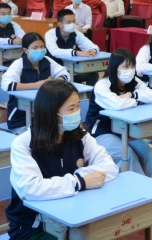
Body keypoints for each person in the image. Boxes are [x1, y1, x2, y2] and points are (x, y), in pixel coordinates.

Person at [6, 80, 119, 240]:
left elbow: (109, 166)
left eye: (78, 106)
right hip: (34, 226)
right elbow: (30, 189)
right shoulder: (24, 143)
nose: (77, 113)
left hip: (75, 216)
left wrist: (82, 176)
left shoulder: (79, 135)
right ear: (51, 112)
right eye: (71, 108)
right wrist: (79, 182)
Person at [85, 48, 152, 220]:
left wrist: (133, 95)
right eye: (125, 66)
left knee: (146, 151)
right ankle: (147, 200)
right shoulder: (102, 85)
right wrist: (137, 100)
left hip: (124, 130)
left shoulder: (133, 82)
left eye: (132, 66)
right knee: (128, 155)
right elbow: (117, 104)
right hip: (100, 134)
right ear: (114, 67)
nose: (129, 70)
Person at [1, 32, 70, 133]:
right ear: (26, 50)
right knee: (36, 136)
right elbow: (7, 85)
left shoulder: (47, 61)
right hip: (20, 118)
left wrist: (53, 82)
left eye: (42, 47)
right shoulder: (19, 64)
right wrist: (36, 85)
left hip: (42, 114)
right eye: (35, 47)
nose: (39, 50)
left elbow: (65, 74)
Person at [45, 9, 100, 86]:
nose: (72, 24)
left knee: (93, 74)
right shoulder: (50, 34)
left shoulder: (76, 33)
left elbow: (92, 46)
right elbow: (55, 52)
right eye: (69, 22)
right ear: (60, 24)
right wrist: (76, 52)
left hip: (71, 70)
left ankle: (90, 94)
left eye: (74, 21)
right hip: (54, 72)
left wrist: (93, 50)